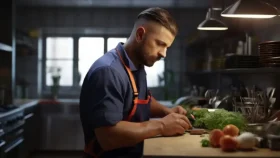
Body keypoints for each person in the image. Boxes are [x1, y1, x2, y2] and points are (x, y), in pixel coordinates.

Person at [79, 7, 192, 158]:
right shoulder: (108, 72)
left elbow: (141, 100)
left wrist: (167, 111)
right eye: (160, 44)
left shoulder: (137, 65)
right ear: (140, 34)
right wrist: (162, 125)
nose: (163, 54)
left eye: (167, 47)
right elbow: (108, 137)